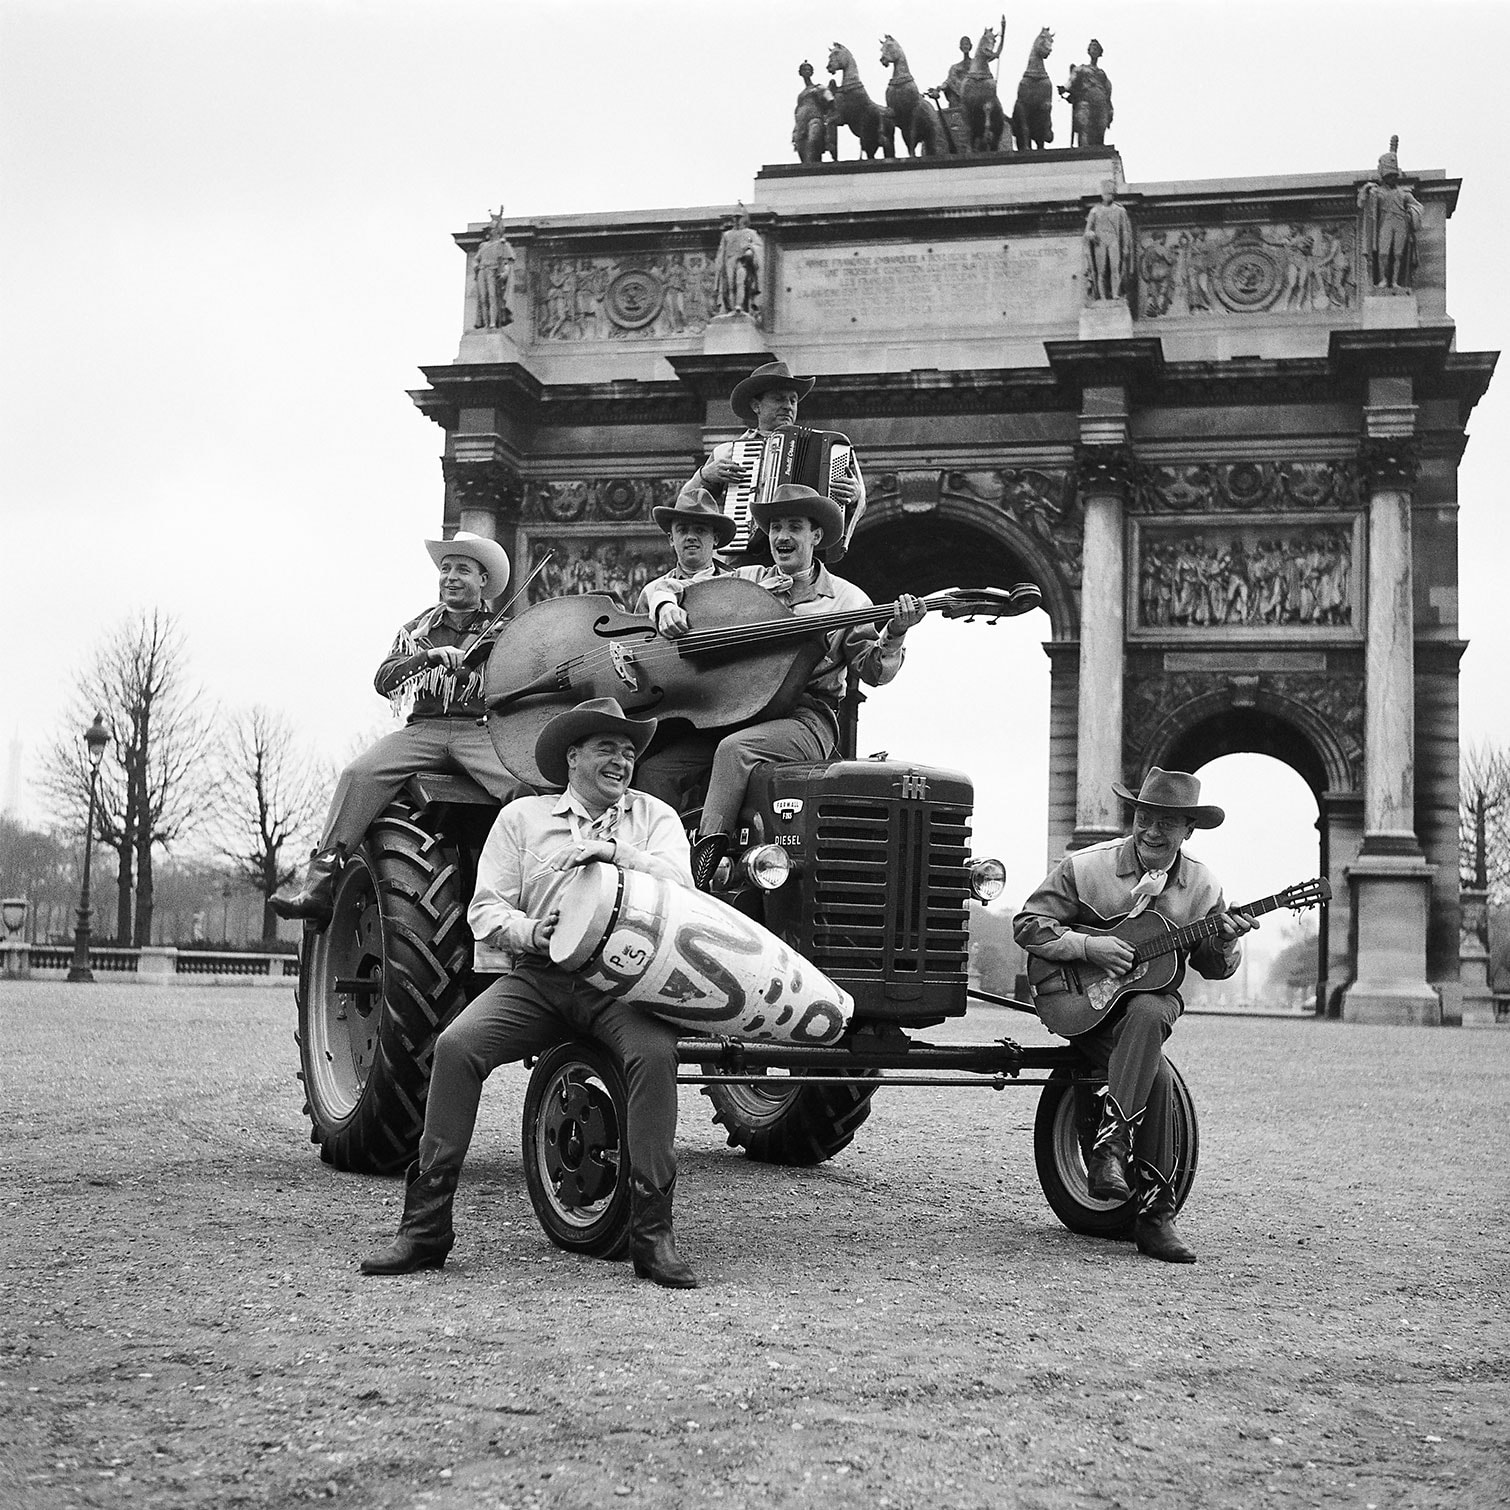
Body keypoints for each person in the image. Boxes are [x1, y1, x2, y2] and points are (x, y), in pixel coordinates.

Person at [359, 697, 700, 1289]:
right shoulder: (522, 820)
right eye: (606, 749)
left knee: (654, 1055)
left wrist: (616, 853)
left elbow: (683, 889)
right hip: (540, 980)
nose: (621, 760)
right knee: (457, 1045)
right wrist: (530, 932)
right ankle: (425, 1226)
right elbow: (485, 909)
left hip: (623, 983)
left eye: (628, 751)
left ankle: (652, 1233)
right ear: (573, 758)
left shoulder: (655, 819)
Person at [1013, 769, 1256, 1264]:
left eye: (1166, 823)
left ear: (1188, 829)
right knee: (1158, 1078)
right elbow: (1027, 924)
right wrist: (1089, 946)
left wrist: (1226, 938)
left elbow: (1212, 966)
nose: (1150, 831)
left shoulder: (1203, 886)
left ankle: (1112, 1150)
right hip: (1078, 999)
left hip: (1152, 1004)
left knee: (1148, 1007)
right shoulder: (1086, 868)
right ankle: (1155, 1216)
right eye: (1144, 817)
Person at [634, 484, 924, 888]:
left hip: (805, 718)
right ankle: (649, 872)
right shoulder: (746, 578)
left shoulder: (847, 600)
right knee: (655, 771)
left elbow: (874, 671)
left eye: (793, 527)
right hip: (740, 709)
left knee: (735, 751)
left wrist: (895, 632)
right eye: (774, 528)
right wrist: (666, 605)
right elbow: (669, 585)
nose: (782, 537)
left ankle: (701, 870)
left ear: (815, 536)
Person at [272, 532, 527, 925]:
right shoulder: (417, 629)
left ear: (482, 581)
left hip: (480, 730)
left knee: (522, 787)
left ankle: (526, 888)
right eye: (445, 569)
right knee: (359, 773)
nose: (451, 577)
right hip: (424, 730)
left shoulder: (504, 629)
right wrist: (428, 657)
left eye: (462, 569)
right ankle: (319, 887)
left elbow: (520, 680)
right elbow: (384, 679)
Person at [680, 359, 866, 561]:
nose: (788, 406)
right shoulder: (727, 453)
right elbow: (685, 505)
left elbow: (860, 503)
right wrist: (705, 476)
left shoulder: (826, 447)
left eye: (792, 401)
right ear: (756, 406)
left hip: (803, 556)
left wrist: (854, 495)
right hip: (747, 557)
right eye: (779, 399)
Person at [633, 487, 738, 633]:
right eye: (682, 530)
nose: (691, 537)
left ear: (715, 538)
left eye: (700, 530)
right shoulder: (651, 592)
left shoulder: (736, 585)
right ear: (671, 539)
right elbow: (637, 644)